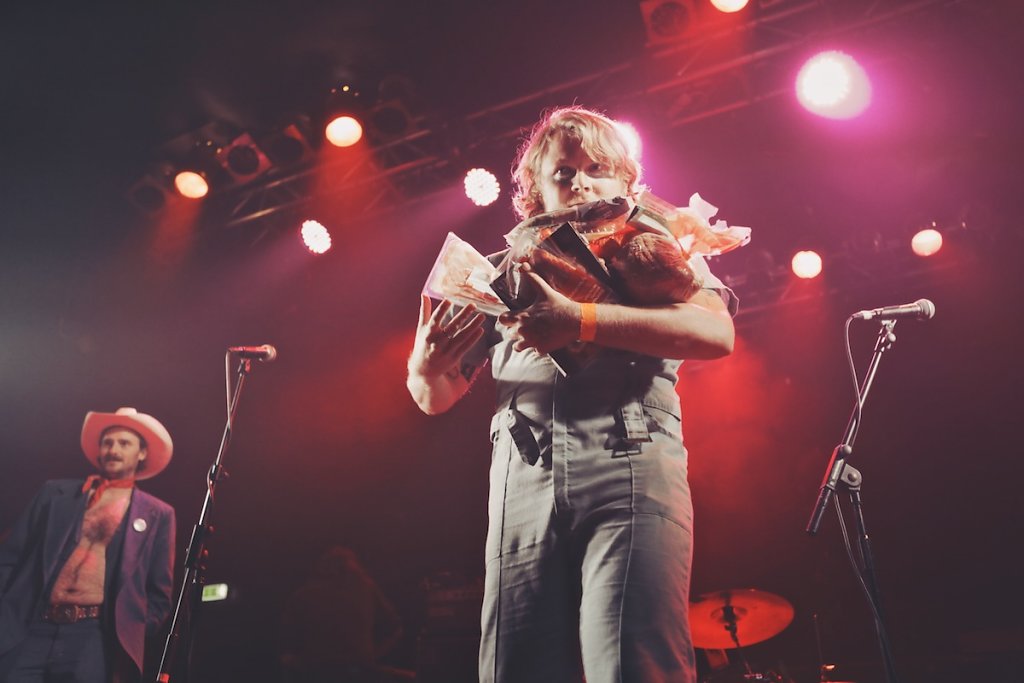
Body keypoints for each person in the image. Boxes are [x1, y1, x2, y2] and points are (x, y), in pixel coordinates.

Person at [406, 107, 737, 683]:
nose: (580, 181)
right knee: (516, 669)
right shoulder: (498, 271)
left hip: (630, 467)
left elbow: (715, 333)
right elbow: (433, 396)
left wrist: (580, 319)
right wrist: (424, 366)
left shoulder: (660, 246)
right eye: (563, 172)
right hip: (522, 482)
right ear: (537, 189)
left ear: (627, 182)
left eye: (597, 169)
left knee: (632, 665)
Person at [0, 407, 176, 683]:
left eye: (124, 443)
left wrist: (129, 629)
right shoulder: (55, 493)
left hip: (94, 636)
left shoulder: (157, 513)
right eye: (107, 443)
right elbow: (11, 556)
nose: (113, 449)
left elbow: (159, 592)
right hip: (33, 626)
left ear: (141, 453)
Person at [278, 545, 411, 683]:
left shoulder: (303, 595)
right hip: (359, 671)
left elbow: (287, 647)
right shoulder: (366, 587)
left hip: (316, 673)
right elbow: (396, 628)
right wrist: (370, 656)